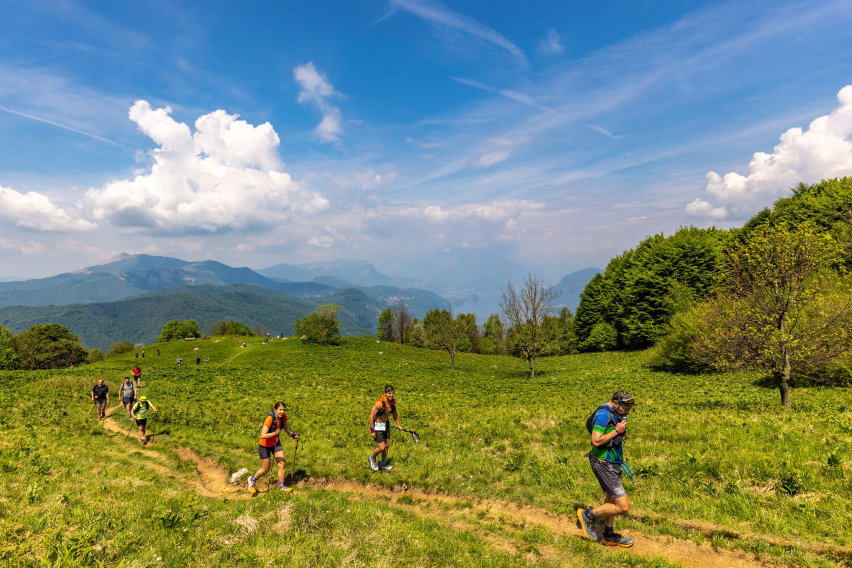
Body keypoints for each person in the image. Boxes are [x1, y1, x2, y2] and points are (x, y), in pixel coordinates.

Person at [577, 390, 636, 548]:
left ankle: (608, 536)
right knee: (622, 507)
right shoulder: (603, 415)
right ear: (615, 403)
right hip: (604, 464)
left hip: (613, 461)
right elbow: (596, 441)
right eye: (626, 408)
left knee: (610, 499)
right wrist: (617, 431)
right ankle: (587, 515)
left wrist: (619, 454)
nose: (628, 411)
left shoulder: (616, 412)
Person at [248, 402, 300, 494]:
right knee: (265, 469)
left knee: (281, 464)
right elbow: (263, 435)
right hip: (264, 445)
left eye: (283, 410)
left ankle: (281, 486)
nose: (282, 412)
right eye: (280, 409)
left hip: (276, 443)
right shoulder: (269, 419)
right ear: (275, 410)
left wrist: (292, 435)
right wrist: (275, 433)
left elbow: (286, 428)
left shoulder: (283, 418)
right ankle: (252, 480)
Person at [368, 384, 402, 471]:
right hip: (378, 426)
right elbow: (371, 416)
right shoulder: (379, 403)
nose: (391, 395)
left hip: (386, 425)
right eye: (389, 393)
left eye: (392, 393)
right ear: (385, 394)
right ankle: (372, 457)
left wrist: (398, 425)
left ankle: (383, 464)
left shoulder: (392, 403)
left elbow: (395, 414)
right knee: (381, 447)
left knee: (386, 445)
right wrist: (372, 430)